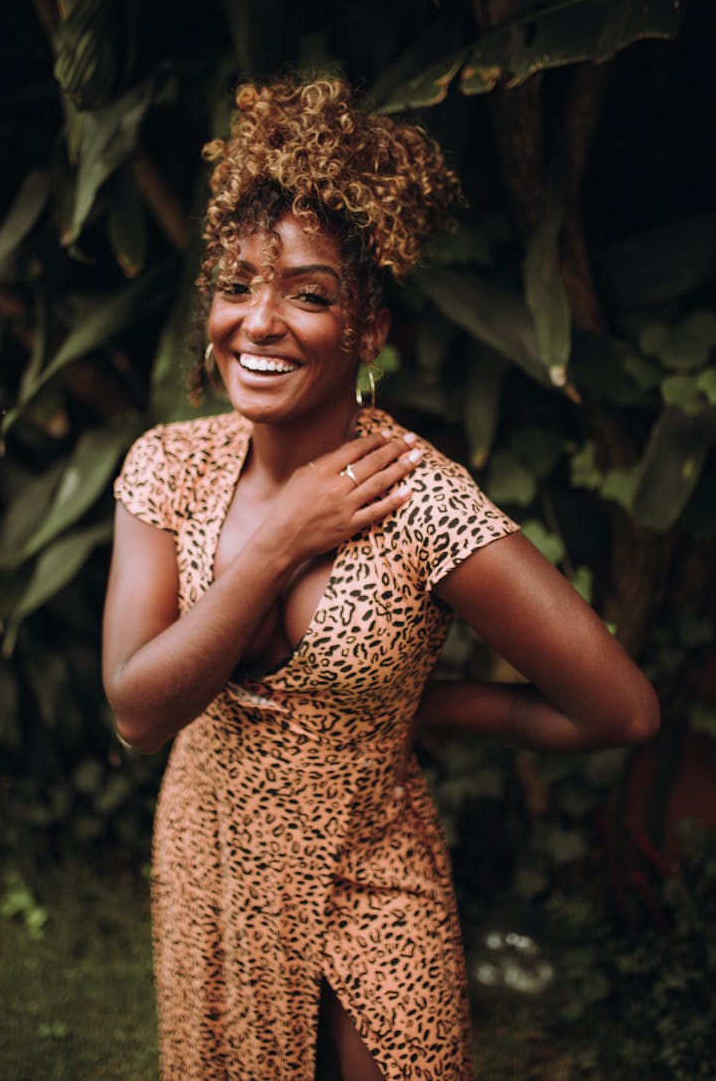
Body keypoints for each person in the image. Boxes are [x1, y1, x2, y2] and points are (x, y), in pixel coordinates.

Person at [102, 76, 659, 1081]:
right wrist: (277, 548)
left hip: (368, 879)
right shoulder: (167, 467)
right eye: (237, 286)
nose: (260, 322)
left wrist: (429, 708)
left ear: (369, 330)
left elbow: (620, 710)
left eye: (308, 294)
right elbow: (139, 710)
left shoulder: (422, 504)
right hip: (209, 858)